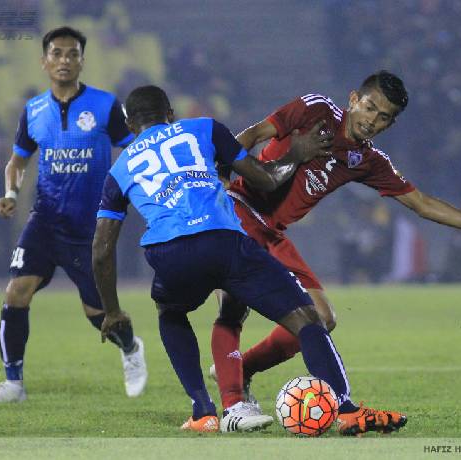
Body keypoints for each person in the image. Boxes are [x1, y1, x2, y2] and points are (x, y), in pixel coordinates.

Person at [210, 70, 461, 435]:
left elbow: (421, 203)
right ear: (352, 100)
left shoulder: (368, 160)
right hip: (239, 210)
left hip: (273, 232)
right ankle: (236, 402)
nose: (372, 120)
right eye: (369, 107)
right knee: (236, 308)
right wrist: (220, 174)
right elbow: (250, 136)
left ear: (390, 124)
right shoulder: (315, 111)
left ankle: (242, 369)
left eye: (383, 116)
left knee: (322, 318)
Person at [92, 85, 364, 434]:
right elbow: (265, 180)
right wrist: (296, 153)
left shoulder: (119, 170)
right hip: (226, 242)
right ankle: (345, 409)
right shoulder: (205, 128)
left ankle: (204, 412)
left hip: (171, 253)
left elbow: (101, 250)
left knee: (172, 312)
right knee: (307, 318)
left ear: (130, 125)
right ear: (171, 114)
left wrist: (112, 311)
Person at [0, 26, 147, 404]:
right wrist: (10, 193)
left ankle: (129, 348)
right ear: (44, 62)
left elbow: (133, 149)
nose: (64, 60)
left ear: (81, 61)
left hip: (88, 227)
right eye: (56, 53)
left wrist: (126, 188)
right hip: (44, 220)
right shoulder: (34, 110)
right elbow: (17, 162)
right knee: (16, 292)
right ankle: (14, 384)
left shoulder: (106, 105)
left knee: (99, 314)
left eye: (72, 54)